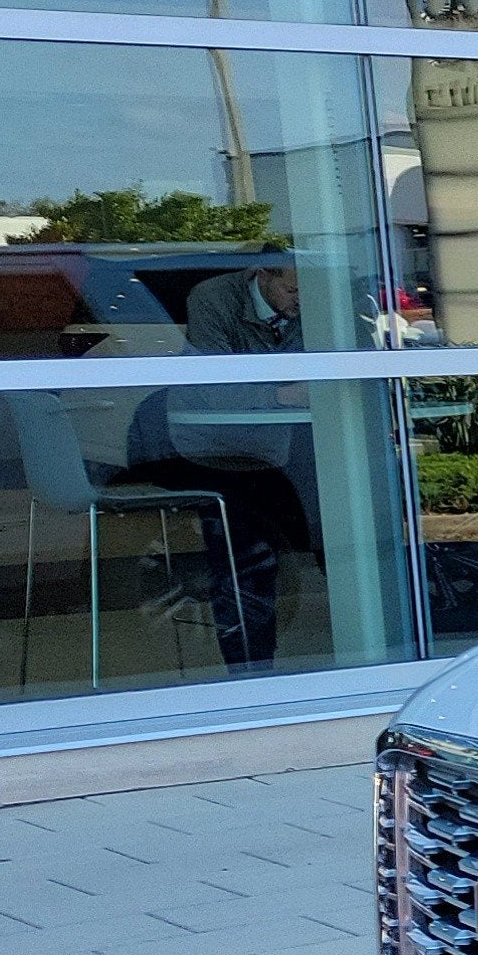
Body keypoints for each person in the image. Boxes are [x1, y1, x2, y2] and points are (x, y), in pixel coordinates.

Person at [111, 256, 313, 665]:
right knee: (246, 550)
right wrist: (283, 395)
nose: (302, 303)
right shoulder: (214, 299)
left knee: (344, 515)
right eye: (293, 291)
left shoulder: (311, 300)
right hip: (210, 447)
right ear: (261, 273)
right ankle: (249, 662)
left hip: (279, 446)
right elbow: (216, 388)